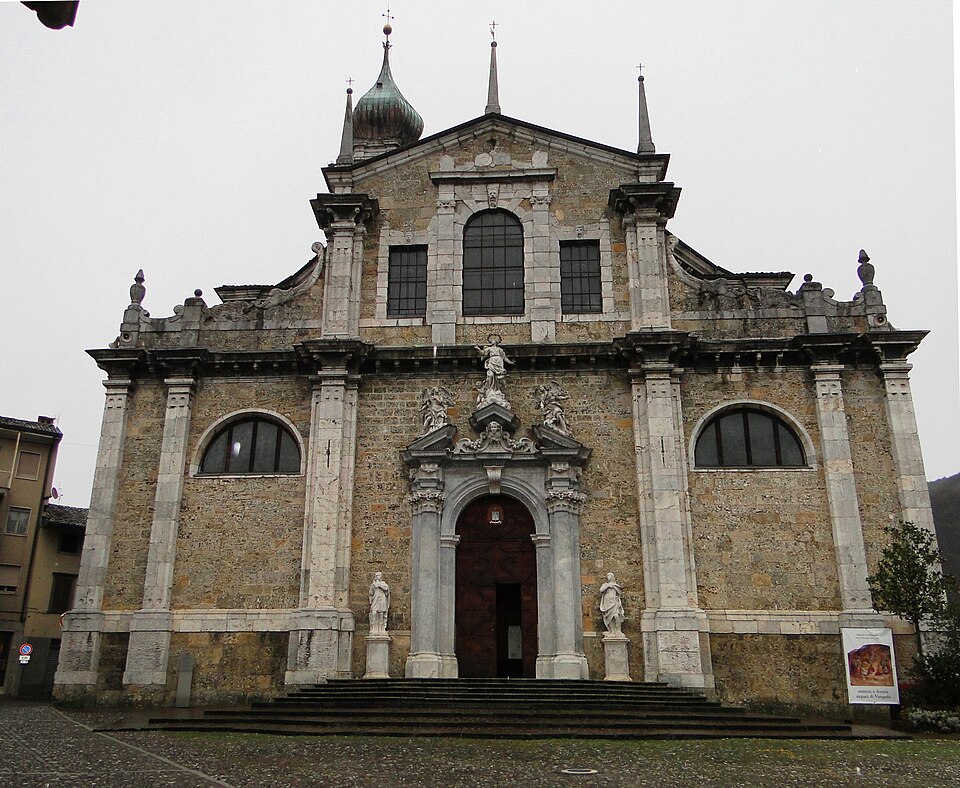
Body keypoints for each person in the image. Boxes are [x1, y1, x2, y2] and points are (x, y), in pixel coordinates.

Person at [475, 334, 514, 404]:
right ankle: (490, 389)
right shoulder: (489, 349)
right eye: (492, 341)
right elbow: (483, 353)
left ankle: (496, 390)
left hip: (499, 362)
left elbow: (504, 357)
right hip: (492, 361)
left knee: (498, 377)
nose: (493, 342)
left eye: (495, 340)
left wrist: (510, 362)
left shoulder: (500, 349)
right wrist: (478, 349)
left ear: (497, 342)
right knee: (490, 375)